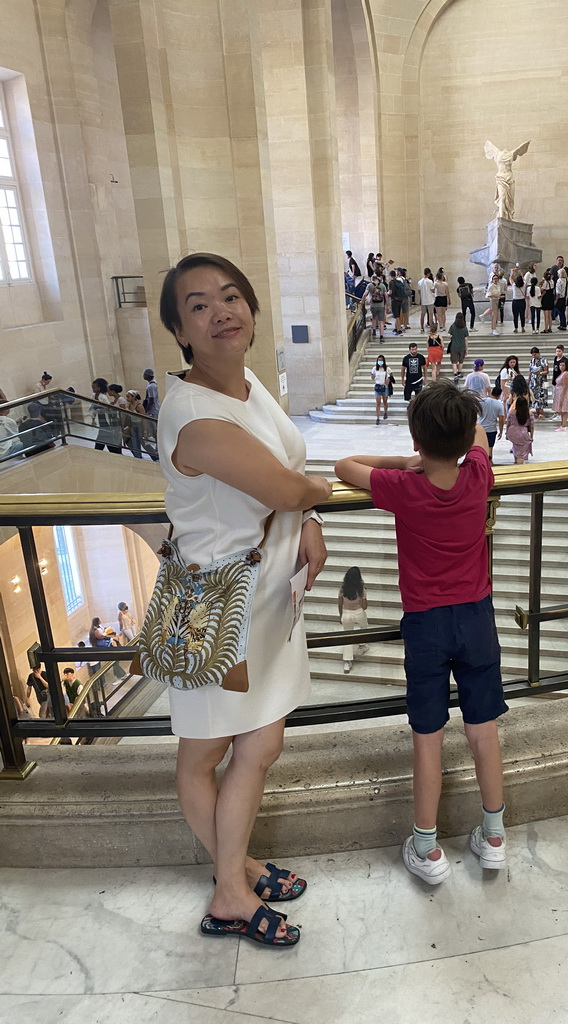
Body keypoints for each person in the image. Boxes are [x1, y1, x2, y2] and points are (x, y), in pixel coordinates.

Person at [156, 251, 331, 948]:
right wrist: (313, 499)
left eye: (231, 296)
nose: (221, 311)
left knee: (261, 741)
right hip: (213, 608)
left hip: (262, 603)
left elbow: (290, 464)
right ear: (180, 331)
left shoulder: (249, 385)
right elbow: (288, 486)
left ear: (252, 311)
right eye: (199, 305)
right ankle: (229, 891)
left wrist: (311, 520)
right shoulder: (193, 414)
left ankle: (240, 866)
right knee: (203, 756)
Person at [334, 384, 508, 884]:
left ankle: (428, 849)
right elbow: (479, 435)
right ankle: (493, 837)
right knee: (484, 731)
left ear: (416, 439)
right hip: (477, 617)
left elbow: (345, 466)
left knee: (428, 738)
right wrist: (462, 435)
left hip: (426, 623)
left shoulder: (404, 487)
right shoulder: (478, 474)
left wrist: (402, 461)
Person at [338, 566, 369, 674]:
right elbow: (365, 606)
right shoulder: (361, 590)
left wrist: (340, 615)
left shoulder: (343, 588)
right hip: (359, 612)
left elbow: (340, 603)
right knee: (364, 627)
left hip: (346, 613)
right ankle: (362, 645)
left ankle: (347, 662)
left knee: (347, 636)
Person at [505, 393, 534, 463]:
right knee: (521, 453)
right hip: (523, 433)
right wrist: (531, 436)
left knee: (515, 447)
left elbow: (508, 423)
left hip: (512, 432)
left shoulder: (511, 412)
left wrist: (507, 433)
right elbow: (532, 426)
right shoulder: (529, 414)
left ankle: (515, 461)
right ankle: (519, 466)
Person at [479, 385, 505, 462]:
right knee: (490, 447)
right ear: (499, 395)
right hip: (491, 429)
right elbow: (501, 419)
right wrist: (501, 431)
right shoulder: (499, 405)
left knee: (481, 446)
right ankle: (489, 462)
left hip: (481, 427)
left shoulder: (482, 401)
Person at [363, 275, 387, 341]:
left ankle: (374, 330)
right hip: (381, 305)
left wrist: (362, 301)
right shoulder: (382, 285)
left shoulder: (370, 285)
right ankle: (381, 336)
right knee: (381, 321)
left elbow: (365, 294)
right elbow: (386, 295)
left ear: (372, 279)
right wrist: (387, 304)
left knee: (374, 317)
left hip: (373, 305)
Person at [447, 312, 469, 381]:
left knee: (454, 361)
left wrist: (451, 336)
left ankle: (455, 374)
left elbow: (448, 335)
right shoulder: (464, 328)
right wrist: (467, 349)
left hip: (454, 347)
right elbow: (466, 340)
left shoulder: (452, 327)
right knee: (461, 361)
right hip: (462, 347)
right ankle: (459, 372)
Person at [528, 347, 549, 418]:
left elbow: (547, 371)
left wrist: (539, 373)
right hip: (533, 382)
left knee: (541, 397)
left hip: (542, 382)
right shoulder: (532, 361)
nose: (534, 356)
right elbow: (530, 372)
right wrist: (528, 381)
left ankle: (541, 412)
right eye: (532, 355)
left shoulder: (543, 360)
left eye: (535, 354)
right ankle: (537, 411)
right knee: (534, 396)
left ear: (538, 353)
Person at [552, 358, 568, 431]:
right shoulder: (561, 373)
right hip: (559, 391)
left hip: (563, 392)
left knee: (564, 409)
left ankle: (564, 425)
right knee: (561, 409)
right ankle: (562, 424)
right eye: (560, 365)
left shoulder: (566, 374)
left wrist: (562, 396)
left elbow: (565, 386)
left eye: (563, 365)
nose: (561, 367)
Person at [371, 354, 390, 424]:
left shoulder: (387, 369)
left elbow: (390, 375)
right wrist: (373, 376)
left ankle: (385, 412)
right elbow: (372, 377)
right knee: (378, 402)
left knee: (385, 401)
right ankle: (378, 417)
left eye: (381, 360)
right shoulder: (374, 369)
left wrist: (388, 380)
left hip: (384, 386)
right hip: (378, 386)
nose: (380, 362)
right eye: (379, 360)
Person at [387, 270, 404, 336]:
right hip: (400, 299)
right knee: (398, 314)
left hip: (394, 299)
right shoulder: (399, 281)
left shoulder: (391, 282)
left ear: (390, 275)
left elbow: (390, 292)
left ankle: (399, 329)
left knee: (396, 315)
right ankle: (396, 327)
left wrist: (386, 293)